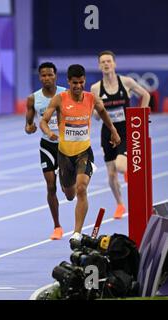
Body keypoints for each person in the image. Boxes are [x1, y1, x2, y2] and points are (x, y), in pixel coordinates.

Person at [40, 64, 121, 241]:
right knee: (69, 195)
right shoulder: (59, 99)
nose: (78, 86)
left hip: (84, 152)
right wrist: (48, 132)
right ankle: (67, 186)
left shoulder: (92, 99)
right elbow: (43, 121)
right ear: (68, 82)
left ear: (84, 81)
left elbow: (103, 113)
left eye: (81, 82)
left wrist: (113, 131)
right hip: (64, 155)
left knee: (82, 188)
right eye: (74, 83)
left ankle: (77, 232)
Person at [90, 50, 150, 219]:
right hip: (108, 132)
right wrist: (97, 109)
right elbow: (95, 116)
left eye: (109, 61)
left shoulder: (126, 82)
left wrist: (141, 117)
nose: (106, 64)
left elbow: (145, 95)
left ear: (114, 64)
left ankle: (127, 169)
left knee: (121, 165)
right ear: (99, 66)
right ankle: (120, 205)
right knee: (111, 174)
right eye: (103, 62)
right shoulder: (96, 88)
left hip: (125, 131)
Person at [25, 62, 66, 240]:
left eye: (50, 75)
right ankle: (57, 226)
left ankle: (68, 184)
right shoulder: (33, 99)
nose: (47, 78)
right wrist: (30, 128)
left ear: (55, 76)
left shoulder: (66, 93)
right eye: (43, 75)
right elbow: (28, 126)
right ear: (39, 77)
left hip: (67, 145)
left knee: (68, 190)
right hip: (47, 145)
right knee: (51, 186)